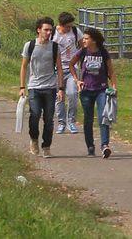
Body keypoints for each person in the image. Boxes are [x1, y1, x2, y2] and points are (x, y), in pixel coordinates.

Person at [69, 27, 118, 158]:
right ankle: (90, 146)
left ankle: (105, 145)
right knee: (88, 119)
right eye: (83, 38)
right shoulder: (82, 52)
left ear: (94, 40)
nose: (83, 40)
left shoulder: (103, 53)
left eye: (86, 38)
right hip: (86, 91)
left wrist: (113, 86)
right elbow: (71, 64)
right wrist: (77, 80)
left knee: (104, 117)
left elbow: (111, 72)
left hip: (101, 90)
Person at [20, 17, 64, 158]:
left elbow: (60, 68)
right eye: (46, 29)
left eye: (50, 30)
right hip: (34, 87)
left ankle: (46, 146)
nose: (48, 32)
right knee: (34, 115)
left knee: (49, 119)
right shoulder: (30, 45)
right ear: (39, 30)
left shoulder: (55, 46)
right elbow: (24, 66)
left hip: (50, 87)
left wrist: (61, 88)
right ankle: (34, 140)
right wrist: (22, 87)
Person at [53, 11, 83, 135]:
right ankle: (61, 122)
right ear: (61, 24)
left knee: (72, 94)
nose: (70, 28)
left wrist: (81, 65)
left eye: (71, 26)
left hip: (72, 69)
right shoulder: (53, 34)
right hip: (56, 70)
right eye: (67, 26)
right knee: (59, 97)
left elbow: (83, 48)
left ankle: (71, 121)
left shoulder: (76, 32)